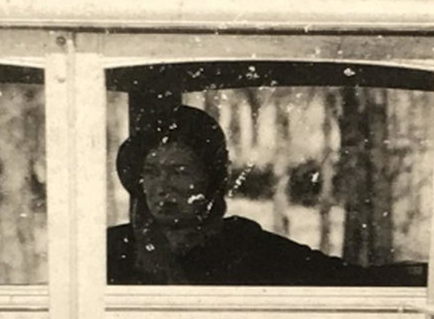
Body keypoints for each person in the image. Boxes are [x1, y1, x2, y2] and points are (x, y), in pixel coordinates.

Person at [108, 104, 351, 285]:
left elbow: (346, 280)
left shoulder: (247, 247)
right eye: (151, 172)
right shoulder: (112, 250)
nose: (162, 186)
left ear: (210, 179)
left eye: (179, 172)